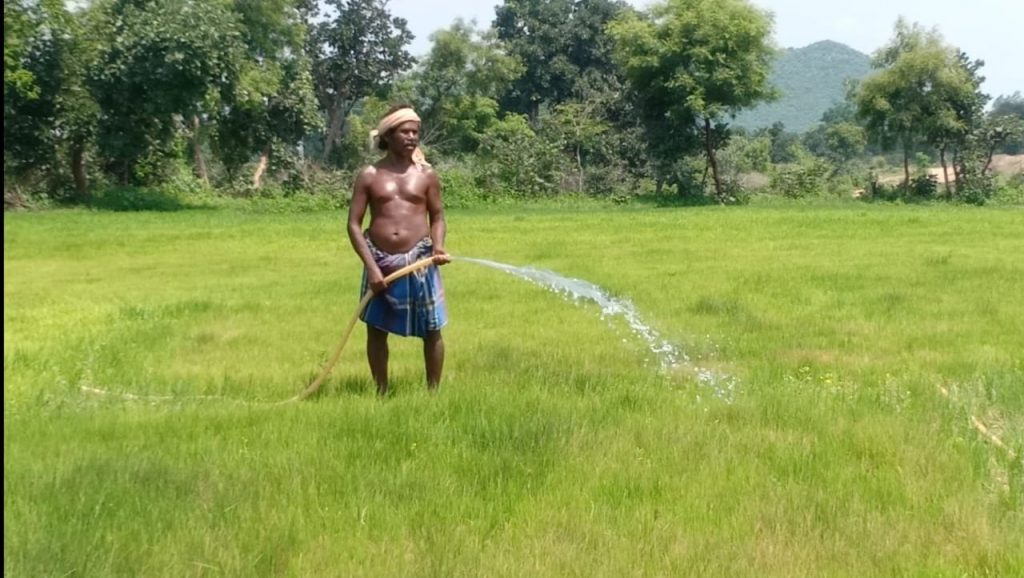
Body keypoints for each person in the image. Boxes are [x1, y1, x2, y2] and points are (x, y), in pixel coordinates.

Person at [347, 105, 450, 395]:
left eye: (415, 132)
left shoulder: (427, 175)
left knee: (432, 328)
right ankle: (381, 391)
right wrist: (371, 267)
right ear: (388, 136)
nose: (411, 137)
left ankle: (434, 394)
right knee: (376, 329)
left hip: (419, 259)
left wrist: (437, 247)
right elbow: (354, 225)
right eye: (405, 131)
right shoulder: (369, 175)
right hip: (379, 259)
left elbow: (438, 216)